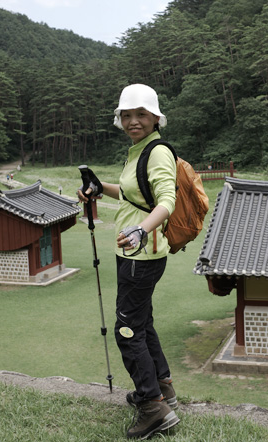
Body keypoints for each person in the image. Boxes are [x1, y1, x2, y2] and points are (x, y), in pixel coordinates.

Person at [77, 84, 179, 440]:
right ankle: (163, 387)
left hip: (141, 254)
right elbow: (135, 194)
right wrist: (98, 186)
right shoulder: (138, 150)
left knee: (127, 329)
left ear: (155, 117)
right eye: (127, 115)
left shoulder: (157, 152)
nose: (133, 120)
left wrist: (140, 231)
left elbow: (167, 200)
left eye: (141, 114)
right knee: (142, 322)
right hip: (133, 254)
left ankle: (153, 408)